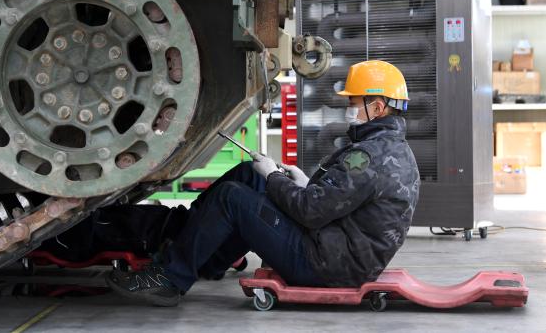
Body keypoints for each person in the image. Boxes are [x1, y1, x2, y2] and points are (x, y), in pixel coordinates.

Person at [107, 60, 420, 307]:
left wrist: (274, 176)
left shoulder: (368, 156)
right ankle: (202, 252)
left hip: (326, 266)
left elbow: (311, 211)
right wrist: (303, 181)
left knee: (233, 197)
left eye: (353, 102)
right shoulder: (388, 149)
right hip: (333, 248)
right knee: (249, 174)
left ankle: (168, 279)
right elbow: (346, 203)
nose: (348, 109)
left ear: (377, 107)